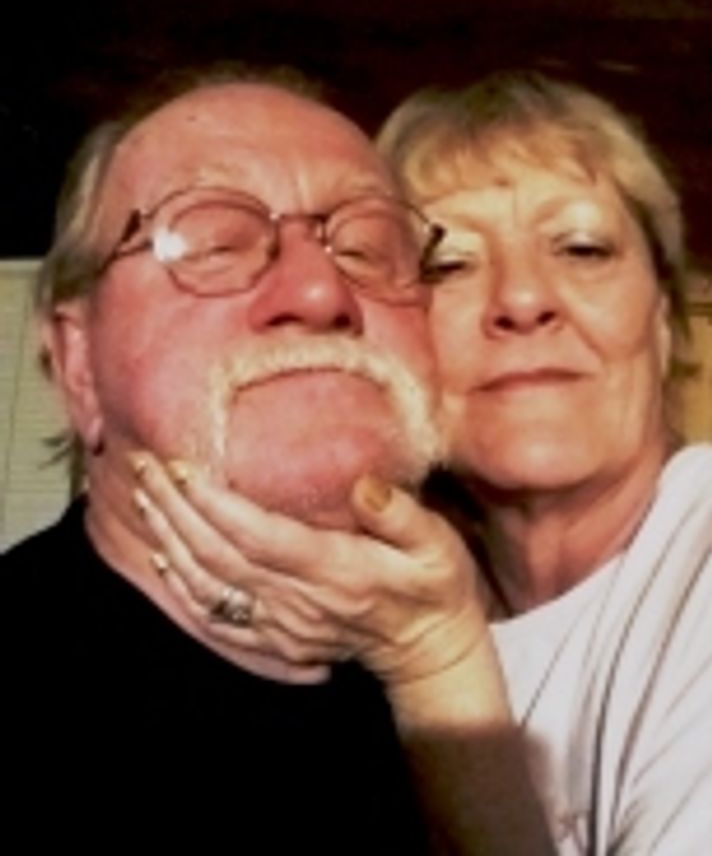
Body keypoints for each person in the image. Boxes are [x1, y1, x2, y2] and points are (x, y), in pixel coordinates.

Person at [134, 73, 712, 854]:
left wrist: (431, 659)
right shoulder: (345, 605)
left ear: (661, 319)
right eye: (448, 264)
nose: (521, 300)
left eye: (581, 248)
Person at [2, 67, 468, 853]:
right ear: (78, 363)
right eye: (213, 243)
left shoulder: (481, 695)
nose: (320, 292)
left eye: (366, 248)